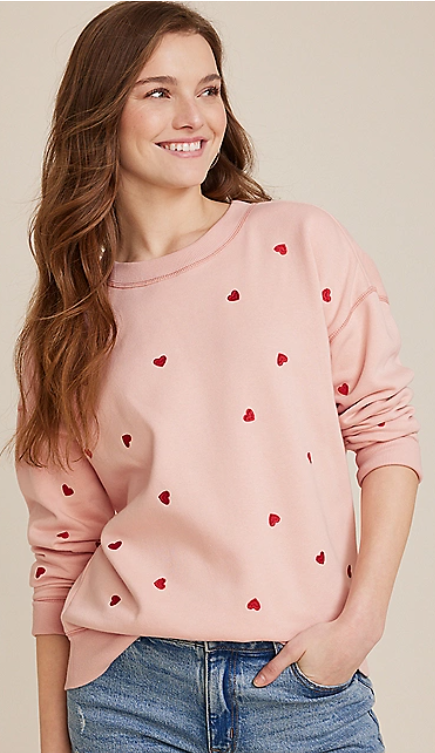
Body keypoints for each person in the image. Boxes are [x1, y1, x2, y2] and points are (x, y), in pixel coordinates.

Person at [11, 2, 422, 752]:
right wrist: (50, 739)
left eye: (208, 89)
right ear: (99, 114)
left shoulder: (299, 243)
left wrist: (361, 623)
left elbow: (386, 433)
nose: (193, 116)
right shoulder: (67, 324)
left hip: (300, 685)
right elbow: (63, 548)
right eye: (158, 91)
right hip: (128, 694)